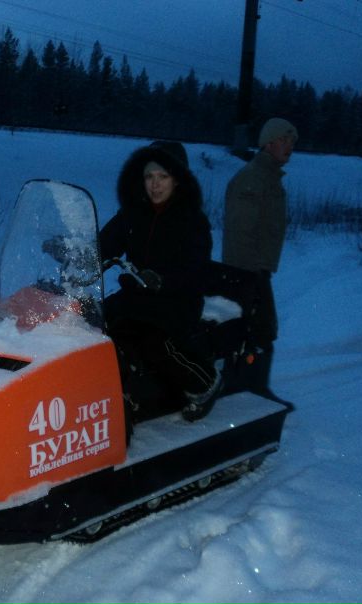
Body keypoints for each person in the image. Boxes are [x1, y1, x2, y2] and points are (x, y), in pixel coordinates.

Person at [100, 140, 221, 422]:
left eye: (163, 176)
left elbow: (196, 269)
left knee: (154, 342)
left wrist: (163, 280)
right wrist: (77, 251)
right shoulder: (133, 212)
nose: (155, 184)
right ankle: (117, 393)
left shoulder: (191, 220)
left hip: (177, 300)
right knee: (96, 324)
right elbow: (107, 243)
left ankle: (205, 383)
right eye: (149, 176)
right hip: (138, 294)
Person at [221, 117, 298, 403]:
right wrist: (249, 277)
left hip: (254, 269)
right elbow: (241, 230)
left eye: (293, 141)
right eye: (285, 140)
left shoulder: (268, 177)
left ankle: (244, 387)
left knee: (254, 330)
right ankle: (254, 390)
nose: (290, 146)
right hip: (246, 270)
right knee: (262, 329)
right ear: (269, 142)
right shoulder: (253, 179)